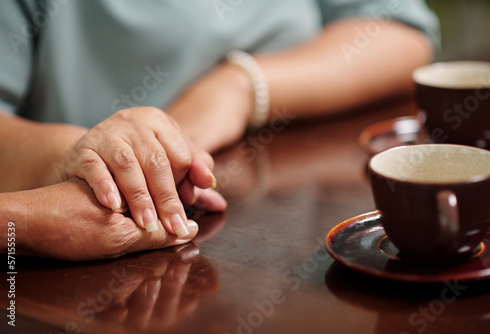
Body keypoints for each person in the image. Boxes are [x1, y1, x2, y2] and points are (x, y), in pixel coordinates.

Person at [0, 0, 440, 260]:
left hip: (286, 230)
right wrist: (77, 153)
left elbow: (400, 30)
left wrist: (240, 86)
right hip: (107, 234)